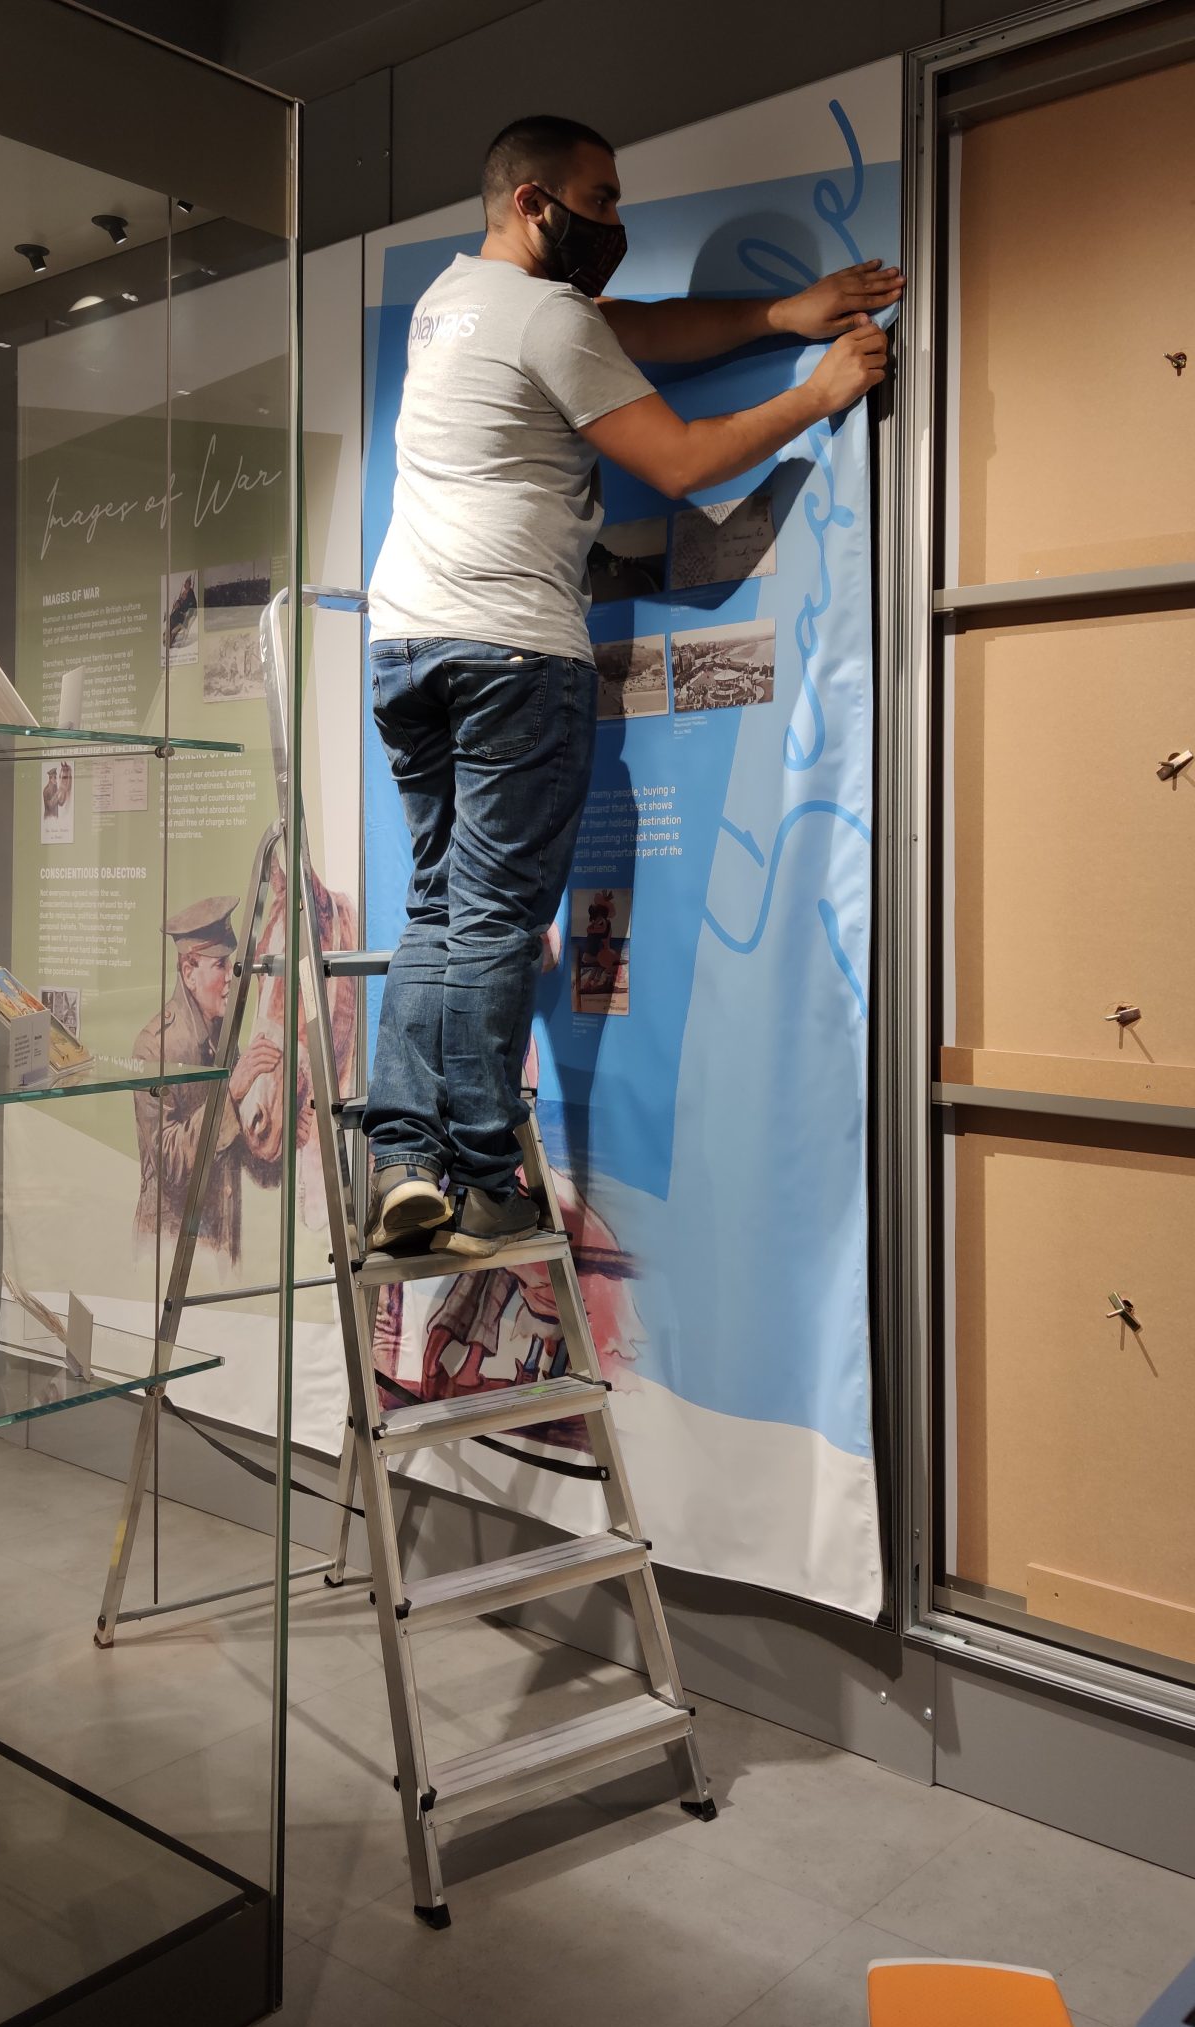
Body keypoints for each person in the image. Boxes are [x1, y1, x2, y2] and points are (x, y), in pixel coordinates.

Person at [363, 112, 901, 1258]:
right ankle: (482, 1172)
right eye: (602, 201)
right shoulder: (549, 316)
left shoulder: (454, 304)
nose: (619, 221)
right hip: (511, 648)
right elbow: (684, 459)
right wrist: (820, 386)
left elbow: (631, 330)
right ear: (534, 203)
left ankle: (403, 1158)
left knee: (435, 907)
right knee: (500, 915)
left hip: (406, 644)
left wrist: (776, 312)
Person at [132, 894, 282, 1259]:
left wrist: (280, 1131)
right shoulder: (155, 1049)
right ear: (189, 973)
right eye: (220, 966)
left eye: (230, 964)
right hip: (169, 1252)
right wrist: (231, 1094)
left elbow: (250, 1162)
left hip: (221, 1246)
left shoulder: (223, 1040)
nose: (231, 978)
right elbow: (170, 1163)